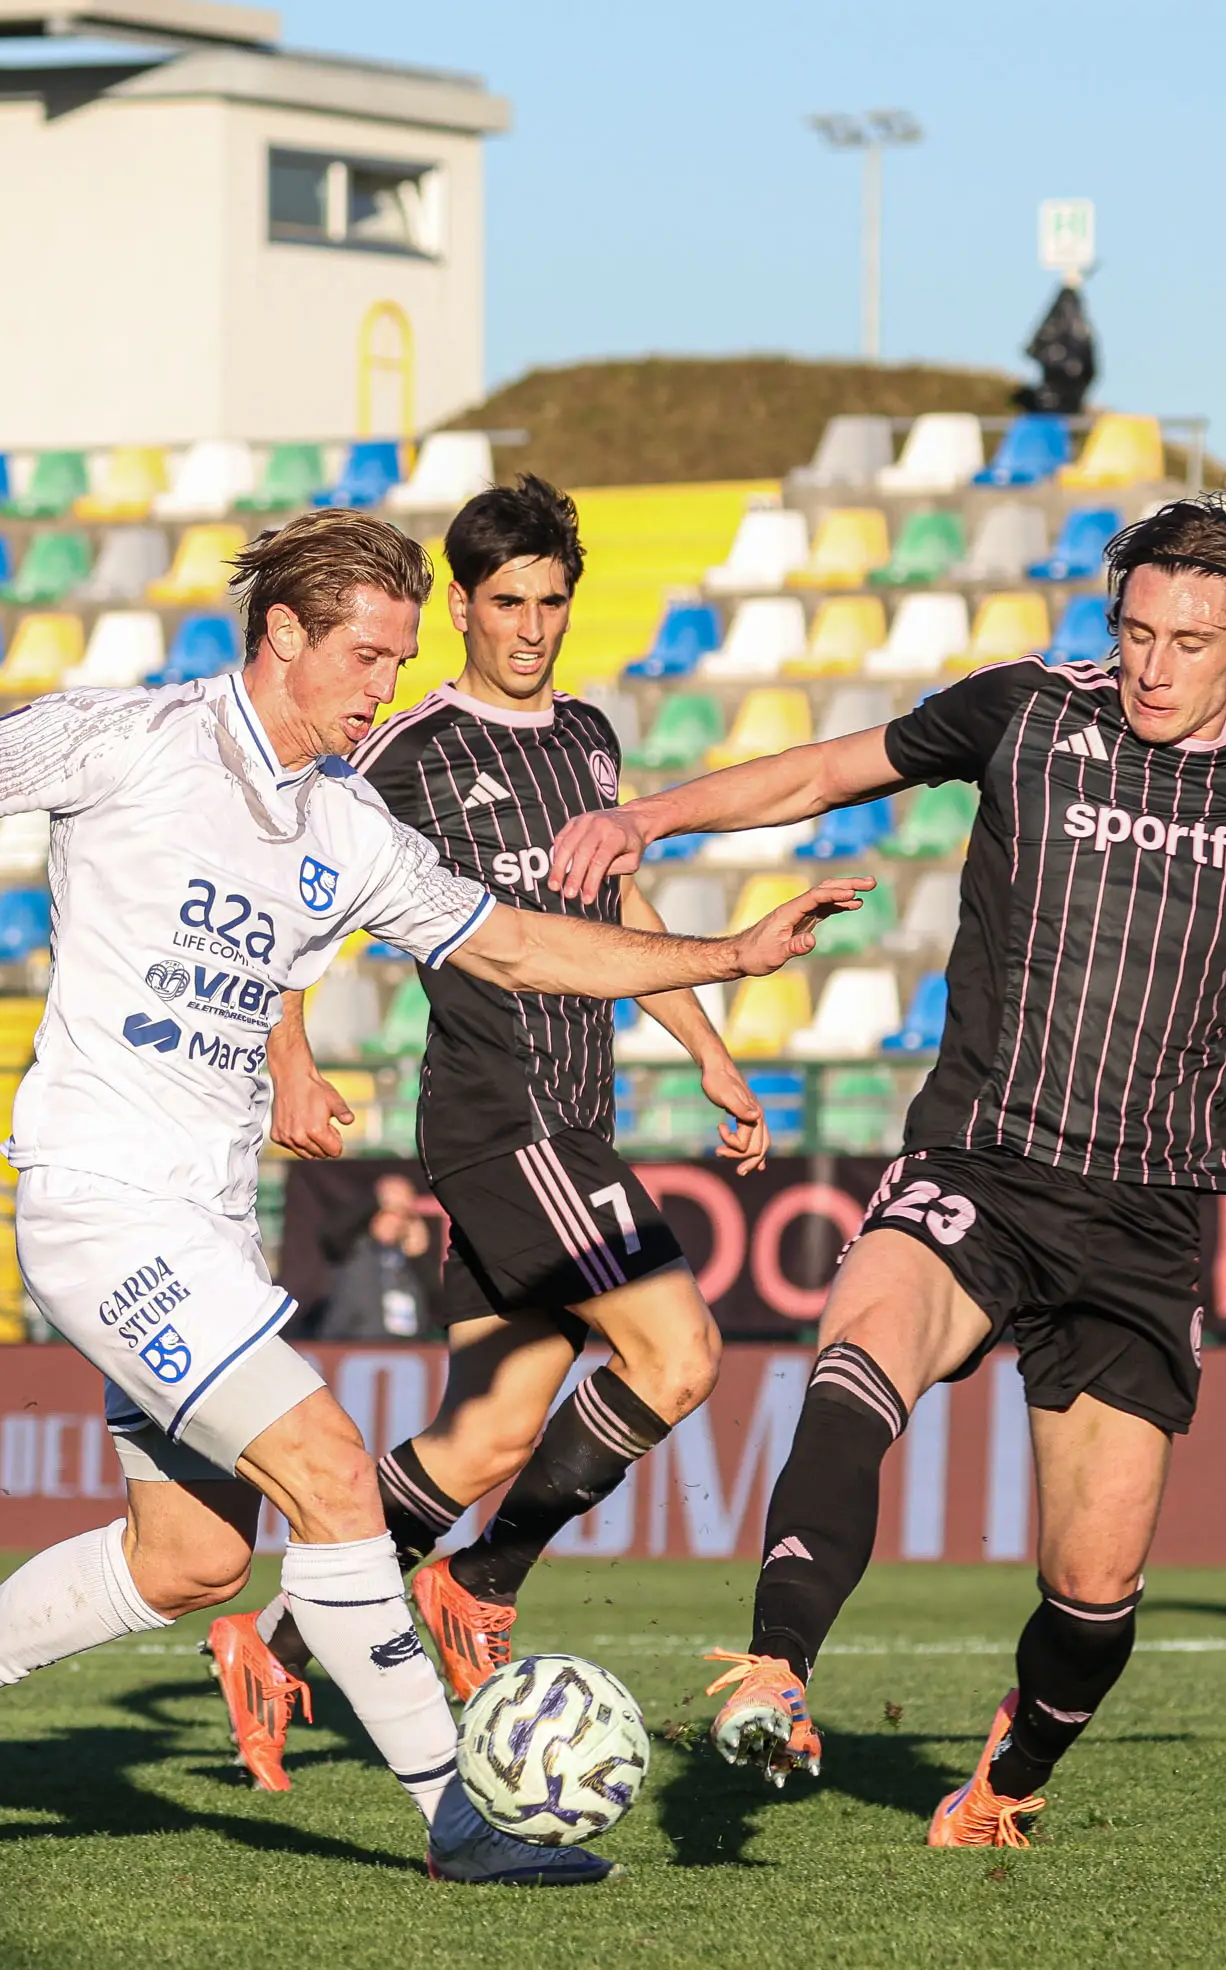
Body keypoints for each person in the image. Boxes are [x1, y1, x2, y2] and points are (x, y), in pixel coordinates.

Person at [0, 506, 865, 1883]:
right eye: (367, 657)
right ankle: (462, 1818)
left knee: (192, 1560)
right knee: (335, 1475)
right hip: (99, 1198)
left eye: (397, 660)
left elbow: (516, 947)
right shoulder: (131, 737)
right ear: (284, 636)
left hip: (208, 1218)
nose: (382, 688)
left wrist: (731, 956)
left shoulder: (344, 822)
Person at [543, 492, 1226, 1848]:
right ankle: (776, 1666)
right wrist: (647, 819)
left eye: (1189, 640)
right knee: (861, 1345)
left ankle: (1000, 1787)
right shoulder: (1026, 715)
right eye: (1134, 632)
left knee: (1094, 1584)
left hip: (1148, 1209)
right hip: (986, 1159)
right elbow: (824, 772)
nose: (1153, 665)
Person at [211, 475, 768, 1791]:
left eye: (552, 601)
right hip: (499, 1115)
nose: (530, 625)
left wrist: (712, 1051)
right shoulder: (404, 751)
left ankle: (271, 1640)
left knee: (488, 1436)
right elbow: (307, 895)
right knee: (680, 1352)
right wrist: (288, 1053)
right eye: (506, 601)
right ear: (458, 604)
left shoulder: (585, 734)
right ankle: (480, 1580)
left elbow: (622, 913)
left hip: (576, 1115)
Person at [312, 1172, 437, 1341]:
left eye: (403, 1215)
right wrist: (377, 1199)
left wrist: (420, 1257)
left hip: (406, 1350)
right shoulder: (353, 1248)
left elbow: (437, 1304)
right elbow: (331, 1234)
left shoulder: (411, 1259)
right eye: (389, 1212)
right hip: (350, 1345)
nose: (395, 1221)